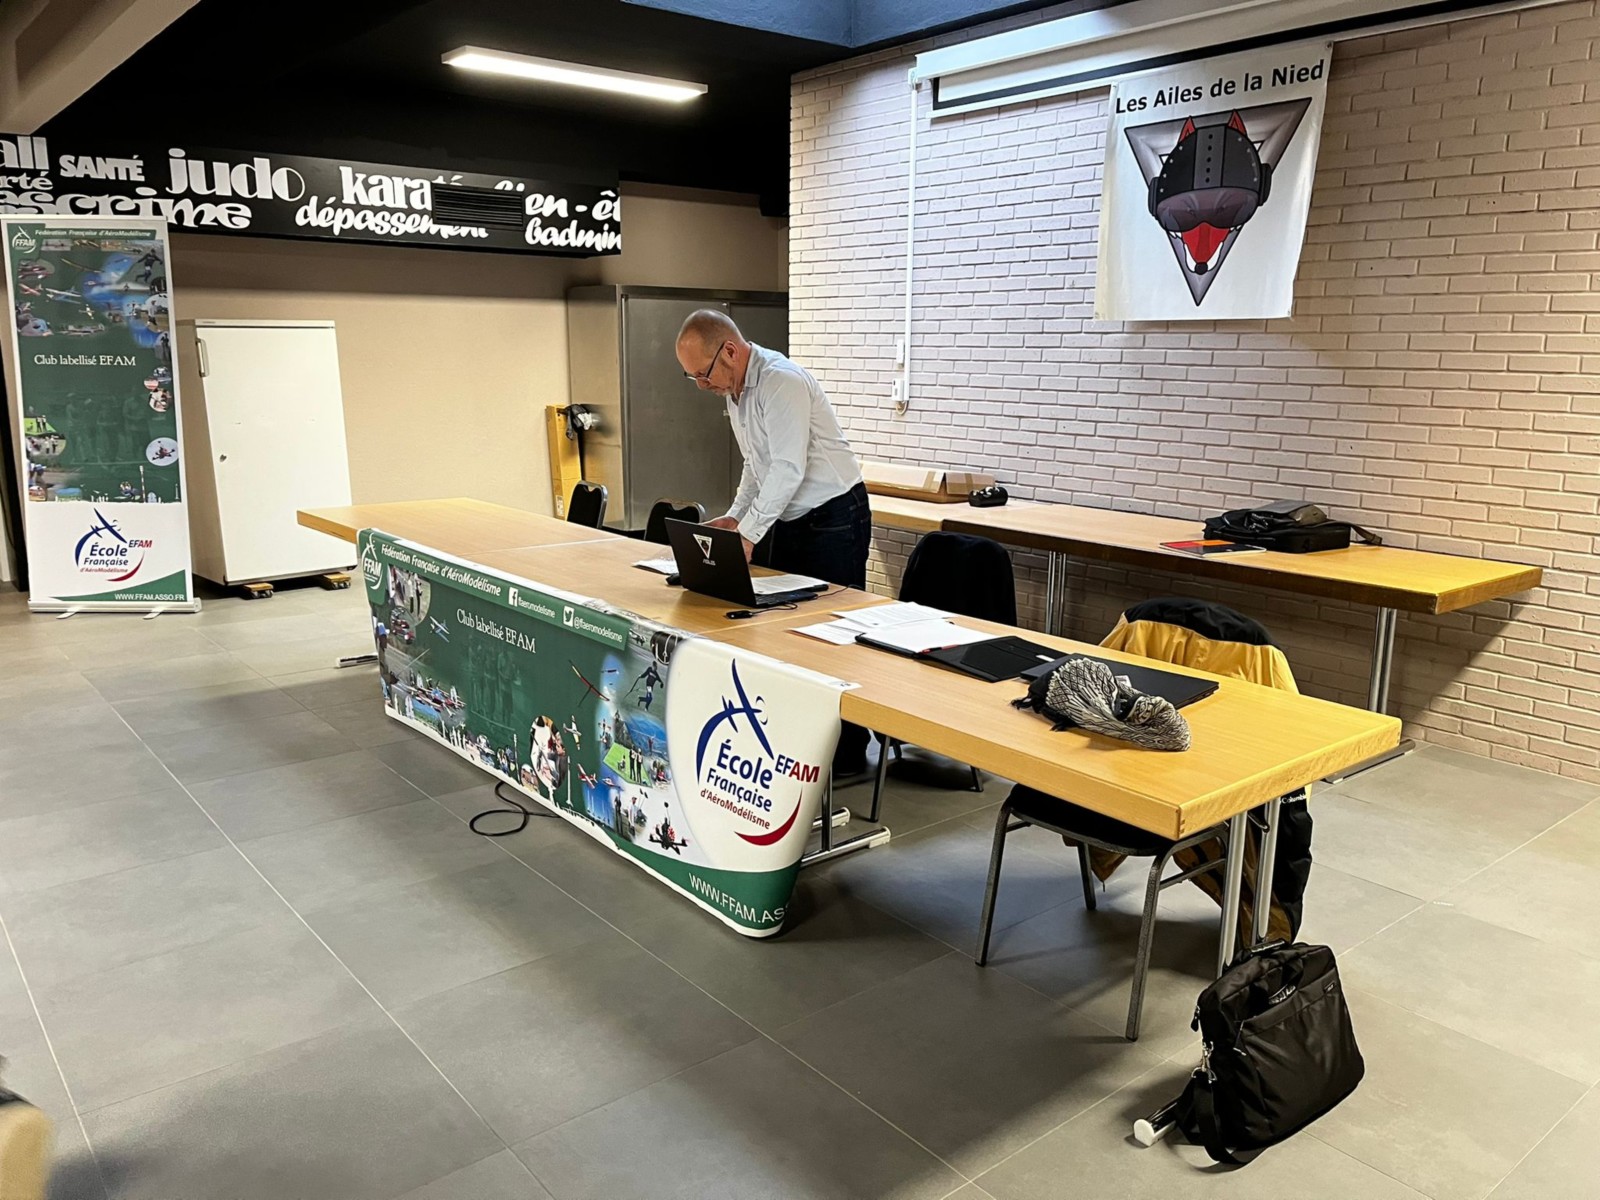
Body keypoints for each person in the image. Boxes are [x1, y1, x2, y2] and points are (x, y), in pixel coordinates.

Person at [674, 309, 872, 775]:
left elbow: (787, 469)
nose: (702, 385)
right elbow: (756, 465)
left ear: (729, 350)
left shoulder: (781, 382)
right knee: (786, 630)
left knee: (831, 635)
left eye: (703, 373)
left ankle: (847, 751)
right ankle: (801, 742)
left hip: (834, 515)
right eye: (692, 377)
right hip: (793, 516)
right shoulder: (736, 391)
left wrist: (749, 533)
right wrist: (735, 516)